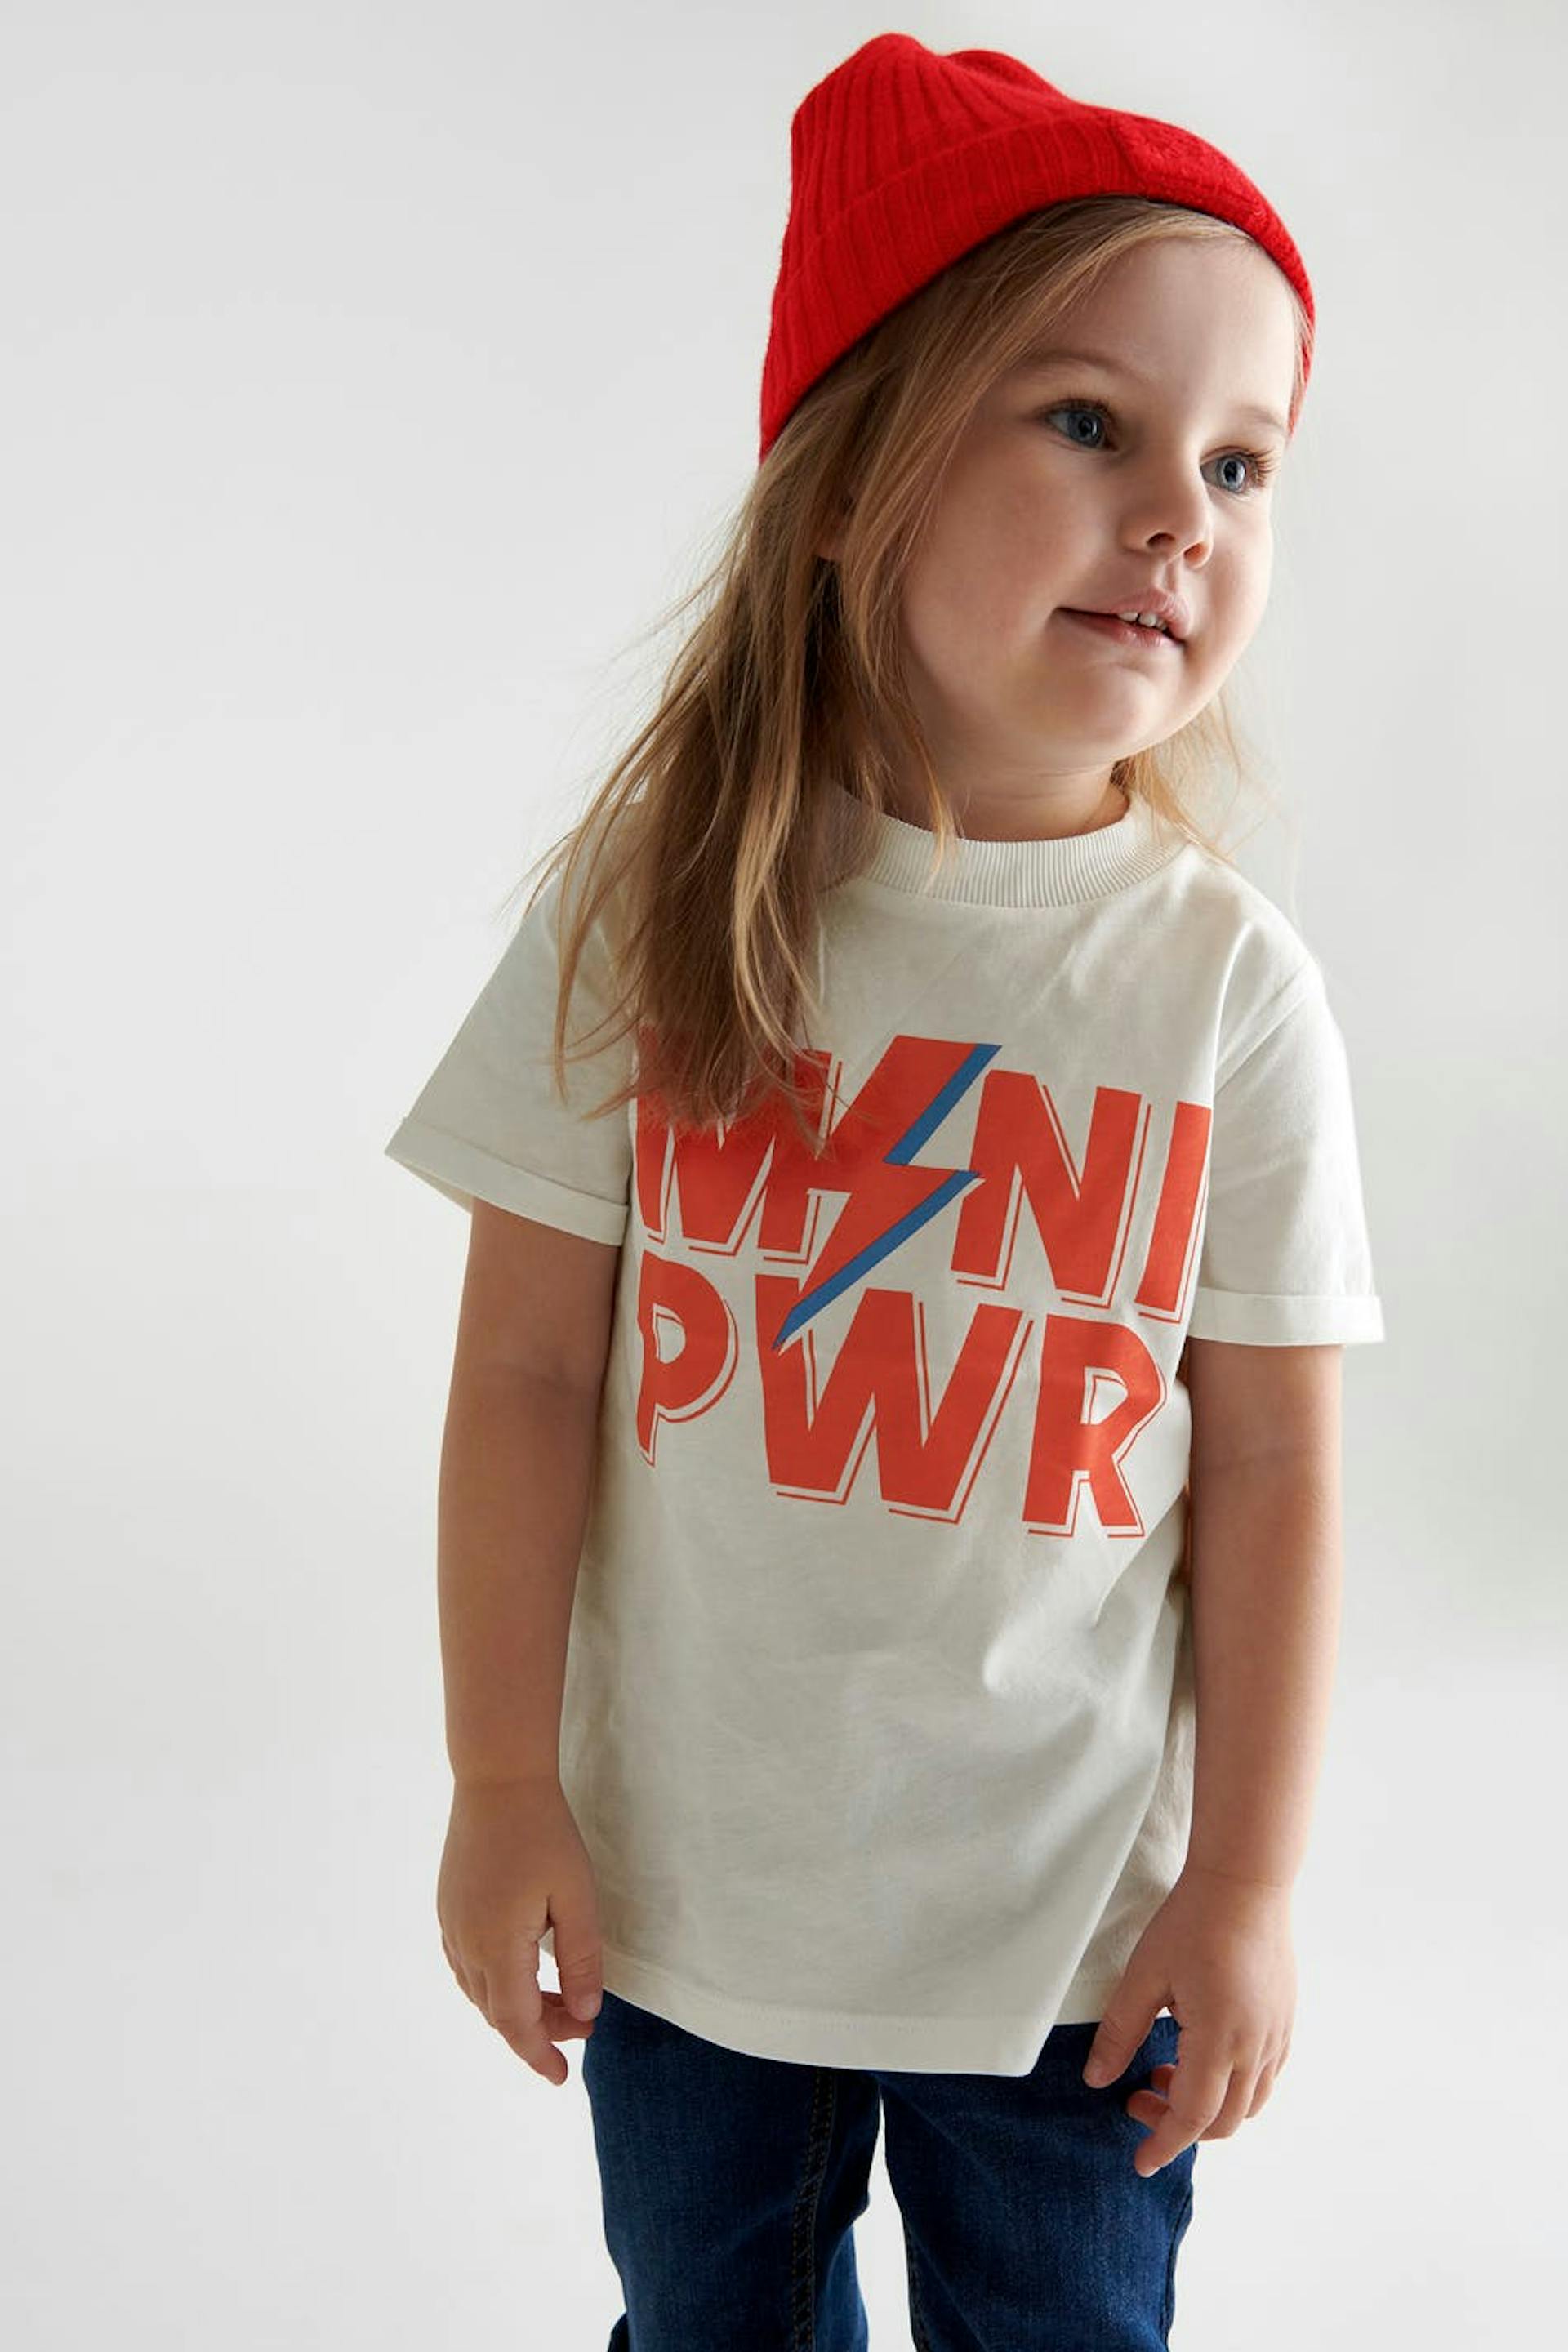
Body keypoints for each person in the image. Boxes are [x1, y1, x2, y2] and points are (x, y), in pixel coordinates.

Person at [383, 30, 1385, 2351]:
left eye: (1243, 461)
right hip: (689, 1907)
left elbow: (1274, 1463)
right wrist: (500, 1777)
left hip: (1070, 1938)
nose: (1184, 515)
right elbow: (522, 1372)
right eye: (1090, 422)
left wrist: (1247, 1887)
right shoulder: (655, 909)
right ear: (850, 476)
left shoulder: (1226, 991)